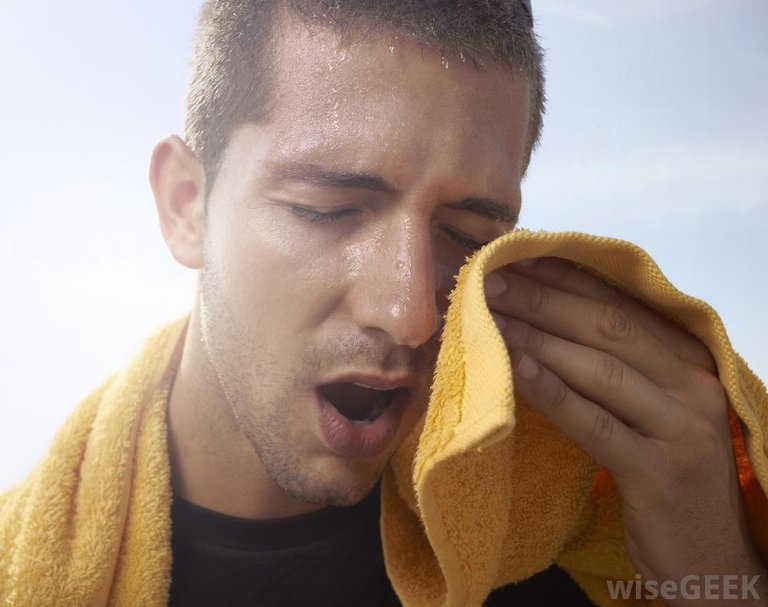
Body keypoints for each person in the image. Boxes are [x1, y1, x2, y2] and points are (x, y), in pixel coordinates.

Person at [4, 1, 767, 605]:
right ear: (186, 205)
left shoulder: (557, 553)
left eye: (465, 236)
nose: (411, 314)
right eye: (329, 209)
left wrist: (717, 572)